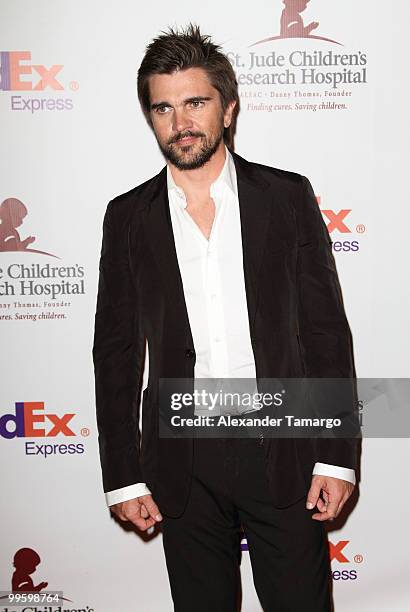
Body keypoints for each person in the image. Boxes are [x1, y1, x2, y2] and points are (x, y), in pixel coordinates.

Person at [92, 23, 360, 611]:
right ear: (151, 117)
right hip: (182, 459)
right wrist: (123, 474)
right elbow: (114, 354)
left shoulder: (286, 197)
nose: (180, 122)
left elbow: (325, 334)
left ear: (229, 108)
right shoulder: (129, 217)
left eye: (195, 102)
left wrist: (336, 454)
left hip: (283, 443)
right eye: (163, 107)